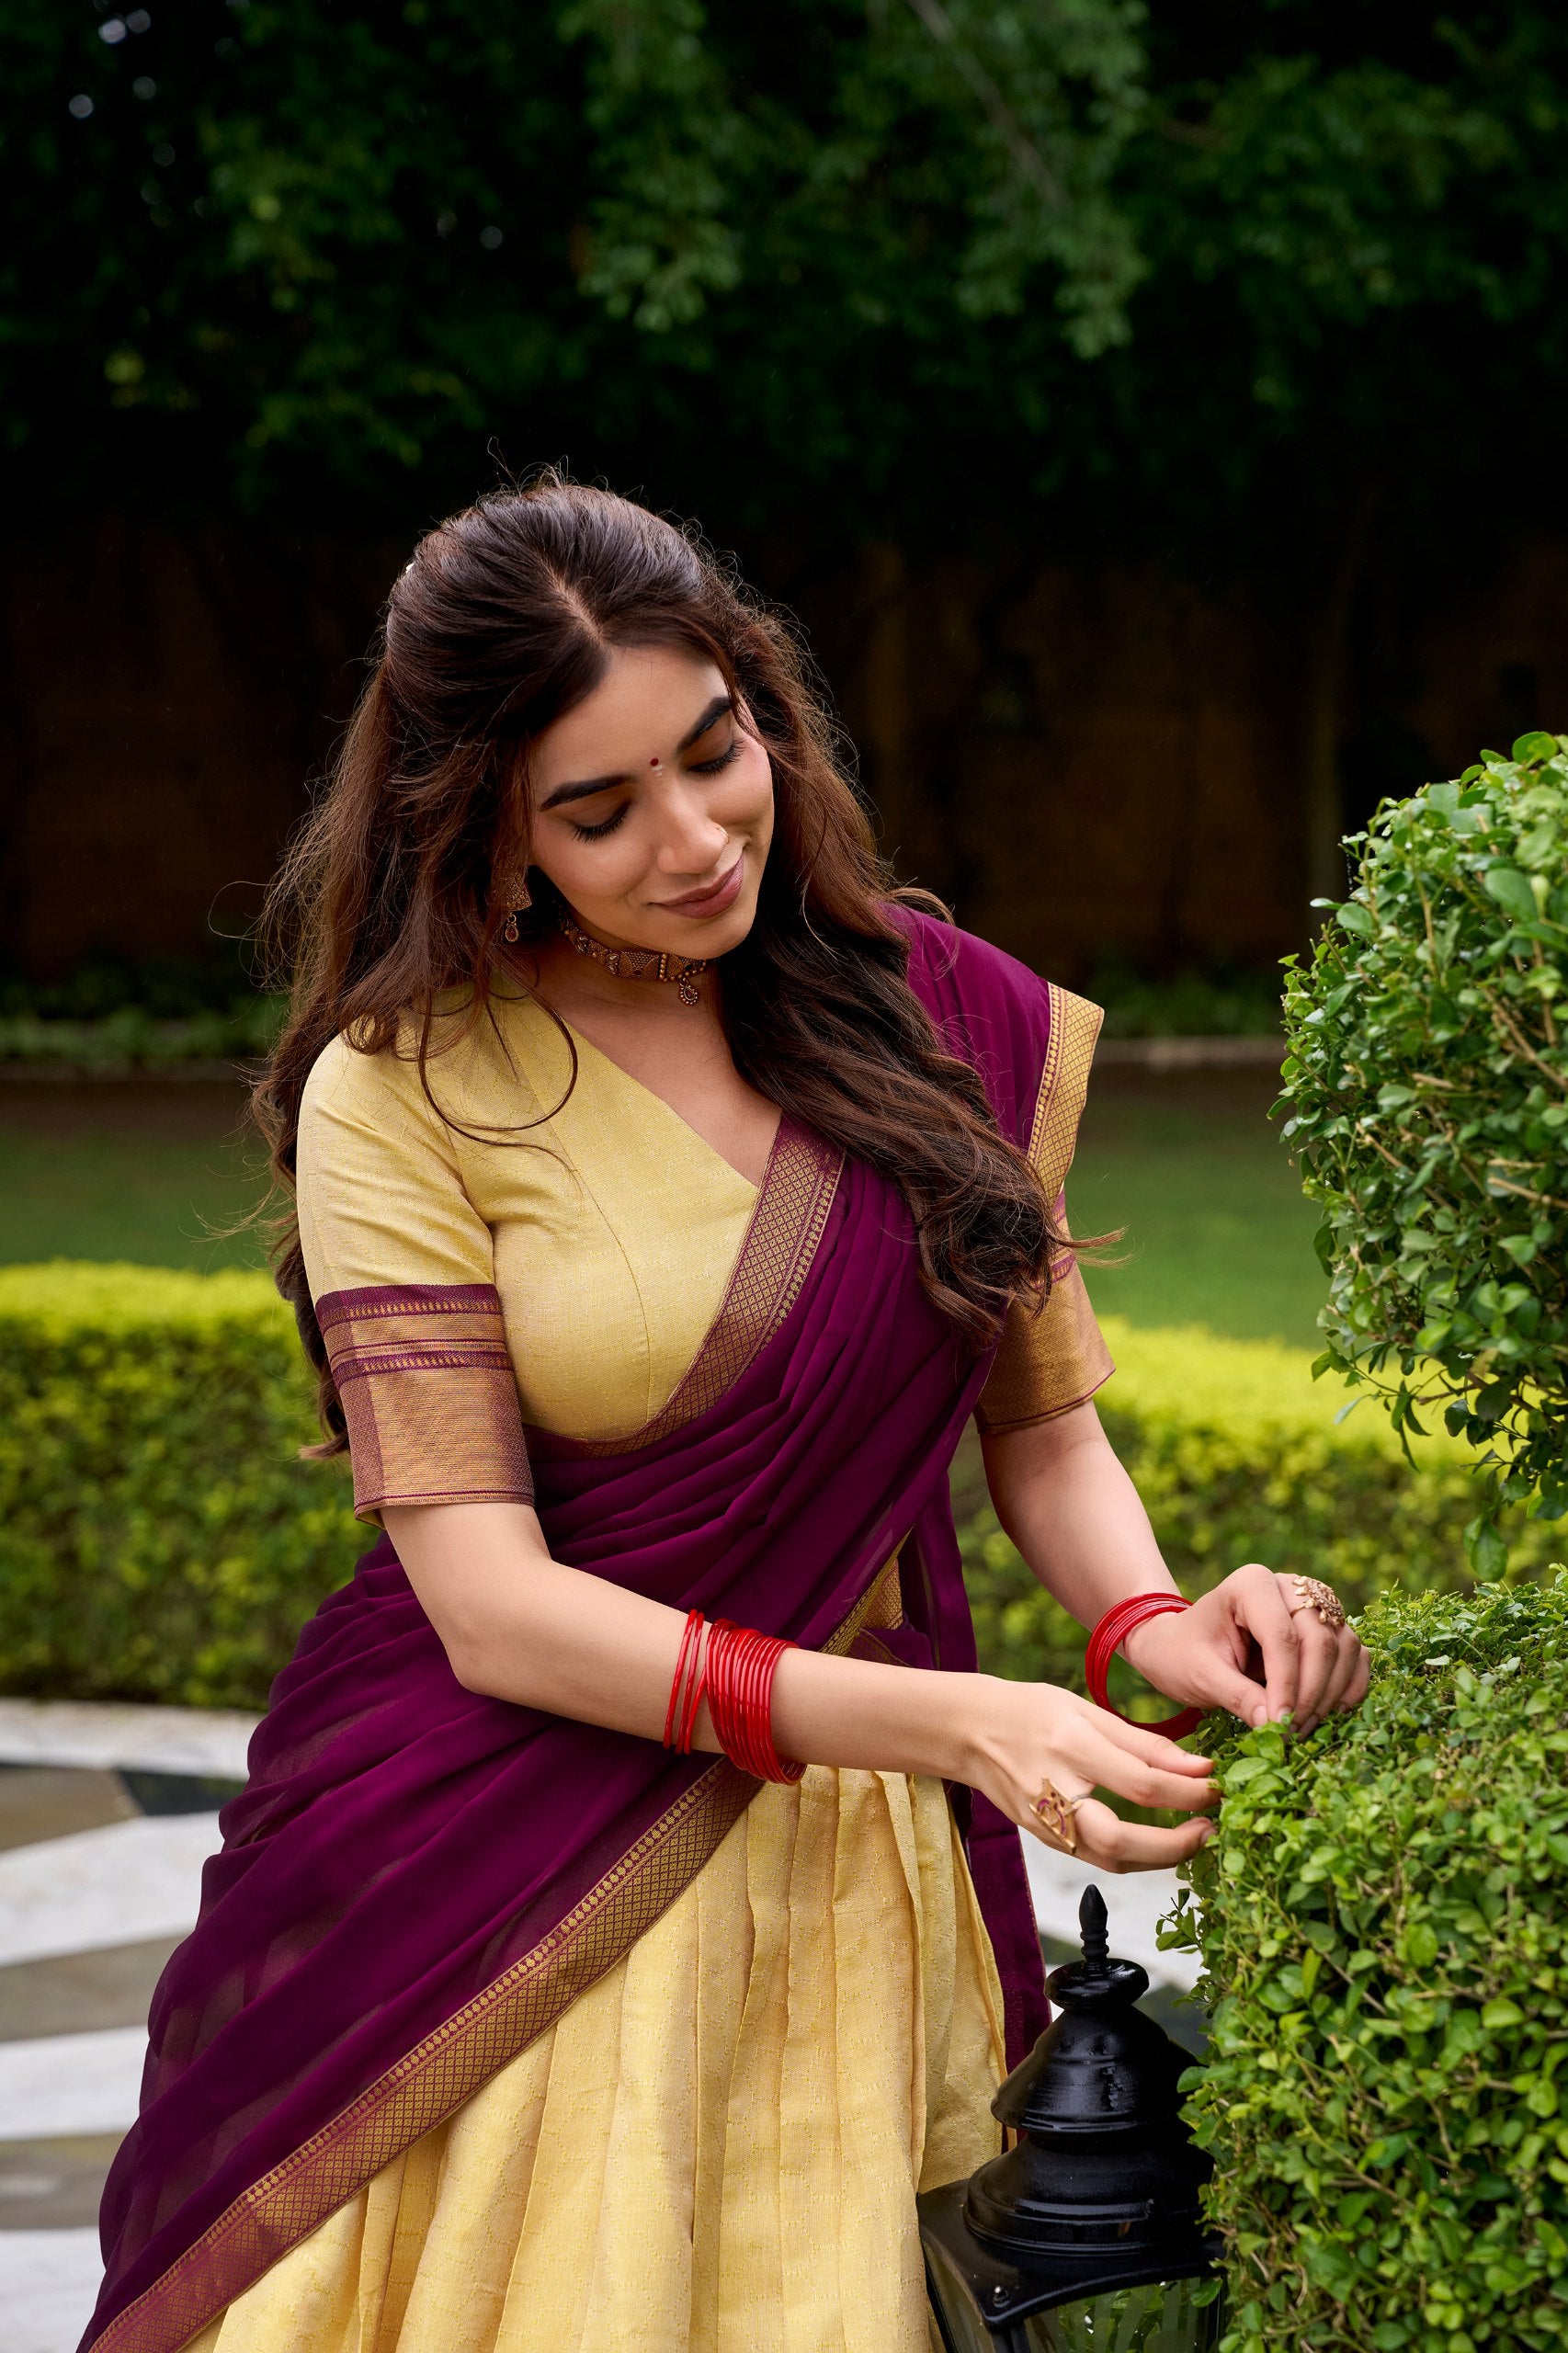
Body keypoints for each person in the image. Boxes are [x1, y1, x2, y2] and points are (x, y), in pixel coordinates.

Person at [83, 480, 1368, 2353]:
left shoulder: (939, 1017)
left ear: (763, 705)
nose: (692, 839)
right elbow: (492, 1606)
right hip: (486, 1880)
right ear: (488, 827)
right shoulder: (410, 1089)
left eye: (714, 753)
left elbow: (1038, 1428)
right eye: (599, 810)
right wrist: (951, 1716)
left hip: (849, 1887)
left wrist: (1146, 1623)